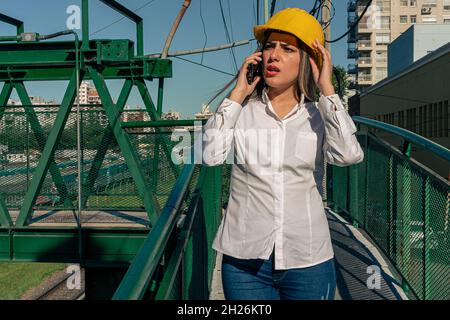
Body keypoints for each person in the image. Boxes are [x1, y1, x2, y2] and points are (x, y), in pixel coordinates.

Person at [200, 8, 364, 300]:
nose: (273, 55)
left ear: (308, 61)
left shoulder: (318, 115)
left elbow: (348, 155)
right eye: (269, 46)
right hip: (244, 261)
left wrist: (327, 89)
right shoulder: (242, 112)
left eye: (287, 48)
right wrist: (237, 93)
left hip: (308, 258)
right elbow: (211, 155)